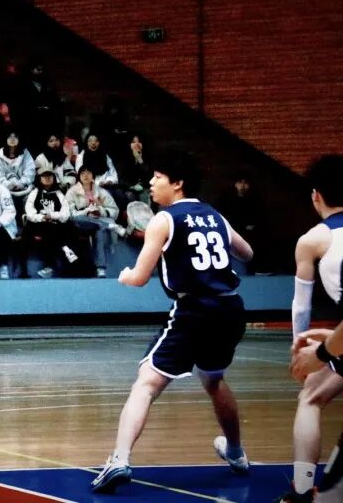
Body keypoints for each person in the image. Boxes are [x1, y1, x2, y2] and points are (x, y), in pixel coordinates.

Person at [90, 150, 253, 494]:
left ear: (177, 184)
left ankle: (118, 460)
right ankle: (236, 453)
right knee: (213, 378)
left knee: (146, 383)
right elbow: (247, 253)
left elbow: (139, 277)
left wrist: (124, 275)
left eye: (158, 177)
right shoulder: (215, 215)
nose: (151, 182)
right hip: (230, 308)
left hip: (194, 310)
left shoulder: (163, 220)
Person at [277, 155, 343, 502]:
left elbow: (301, 305)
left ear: (316, 196)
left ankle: (303, 488)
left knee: (310, 396)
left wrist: (302, 350)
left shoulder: (313, 240)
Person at [66, 166, 122, 278]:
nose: (85, 175)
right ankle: (109, 225)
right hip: (79, 223)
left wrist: (100, 211)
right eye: (83, 173)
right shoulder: (72, 192)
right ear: (79, 176)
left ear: (93, 176)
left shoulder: (101, 192)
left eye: (88, 173)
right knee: (86, 221)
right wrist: (86, 212)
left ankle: (100, 268)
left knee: (99, 229)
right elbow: (69, 214)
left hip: (96, 222)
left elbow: (114, 211)